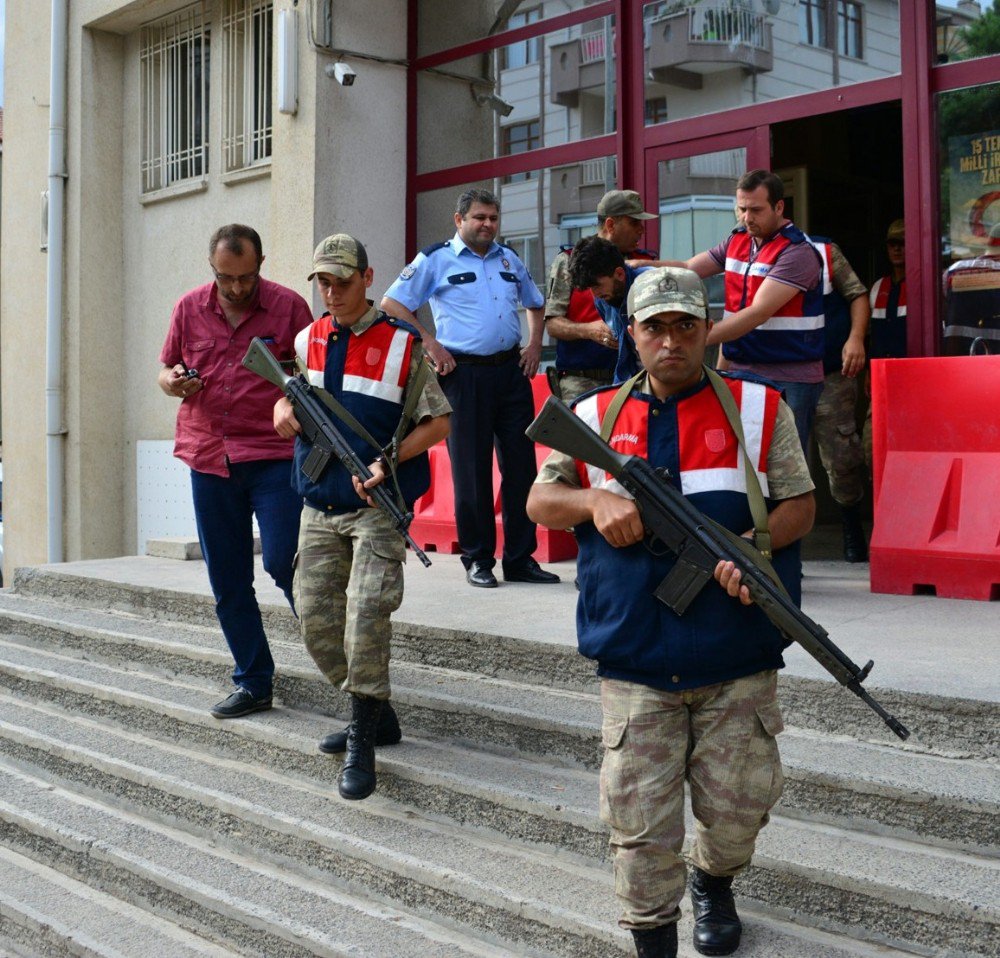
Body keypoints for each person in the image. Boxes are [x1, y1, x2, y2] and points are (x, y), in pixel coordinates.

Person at [527, 267, 815, 958]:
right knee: (640, 825)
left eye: (686, 325)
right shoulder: (594, 415)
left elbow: (802, 503)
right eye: (654, 327)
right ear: (633, 333)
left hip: (736, 650)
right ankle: (653, 933)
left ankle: (714, 881)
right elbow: (540, 503)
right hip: (635, 653)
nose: (671, 341)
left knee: (739, 810)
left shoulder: (759, 407)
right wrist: (594, 503)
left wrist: (753, 545)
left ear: (707, 329)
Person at [273, 234, 451, 801]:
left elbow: (439, 423)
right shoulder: (308, 338)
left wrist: (389, 458)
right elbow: (292, 395)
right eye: (322, 282)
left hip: (378, 506)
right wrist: (281, 408)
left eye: (342, 282)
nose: (331, 292)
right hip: (319, 502)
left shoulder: (403, 342)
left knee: (367, 614)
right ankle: (377, 713)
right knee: (315, 622)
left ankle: (362, 738)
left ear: (368, 278)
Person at [158, 224, 312, 720]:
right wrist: (174, 382)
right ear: (213, 269)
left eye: (247, 277)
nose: (238, 288)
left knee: (286, 561)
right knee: (227, 577)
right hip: (209, 456)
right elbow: (165, 369)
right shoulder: (188, 308)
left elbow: (313, 378)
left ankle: (344, 660)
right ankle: (253, 680)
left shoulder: (290, 308)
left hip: (272, 454)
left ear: (261, 264)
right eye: (228, 278)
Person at [381, 188, 560, 589]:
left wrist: (534, 344)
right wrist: (429, 342)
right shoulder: (435, 259)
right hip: (463, 376)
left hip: (510, 373)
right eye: (479, 217)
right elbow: (393, 304)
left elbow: (536, 301)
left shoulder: (509, 258)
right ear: (459, 220)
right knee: (472, 470)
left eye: (493, 218)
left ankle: (519, 559)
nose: (488, 225)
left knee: (520, 468)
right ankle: (477, 558)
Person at [664, 169, 824, 453]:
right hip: (740, 369)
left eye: (755, 210)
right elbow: (689, 269)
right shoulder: (738, 240)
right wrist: (641, 269)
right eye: (741, 209)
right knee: (740, 461)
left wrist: (691, 338)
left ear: (778, 207)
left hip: (788, 377)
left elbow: (757, 313)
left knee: (783, 468)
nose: (747, 218)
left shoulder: (797, 252)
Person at [544, 189, 657, 401]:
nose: (641, 230)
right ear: (611, 225)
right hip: (581, 381)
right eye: (634, 222)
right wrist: (588, 330)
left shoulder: (644, 264)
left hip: (635, 381)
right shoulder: (570, 261)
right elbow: (552, 324)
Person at [808, 236, 870, 562]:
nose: (747, 219)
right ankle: (779, 541)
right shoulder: (743, 256)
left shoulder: (823, 251)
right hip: (781, 375)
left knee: (842, 456)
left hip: (831, 374)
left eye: (754, 210)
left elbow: (857, 294)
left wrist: (856, 338)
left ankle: (851, 526)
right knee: (774, 461)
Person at [568, 236, 654, 384]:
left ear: (619, 274)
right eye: (590, 288)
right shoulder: (602, 299)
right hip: (629, 381)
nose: (595, 295)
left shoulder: (652, 283)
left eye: (597, 286)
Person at [863, 219, 907, 467]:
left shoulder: (926, 284)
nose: (898, 249)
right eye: (893, 243)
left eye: (903, 243)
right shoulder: (878, 287)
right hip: (882, 380)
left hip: (913, 381)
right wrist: (869, 372)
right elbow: (872, 336)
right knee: (873, 449)